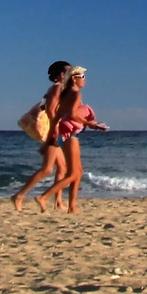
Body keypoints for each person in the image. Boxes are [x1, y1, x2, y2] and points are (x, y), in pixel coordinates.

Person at [39, 66, 106, 213]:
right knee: (73, 173)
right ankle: (44, 197)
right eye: (82, 77)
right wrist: (92, 124)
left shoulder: (65, 94)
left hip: (62, 134)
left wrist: (51, 137)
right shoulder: (75, 95)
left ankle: (72, 206)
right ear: (74, 79)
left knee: (78, 171)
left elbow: (57, 116)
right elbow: (72, 115)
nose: (84, 80)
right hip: (69, 135)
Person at [11, 61, 74, 212]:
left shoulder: (60, 88)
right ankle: (19, 195)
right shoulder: (57, 88)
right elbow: (51, 110)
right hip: (53, 130)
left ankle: (58, 201)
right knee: (47, 169)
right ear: (61, 75)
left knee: (63, 167)